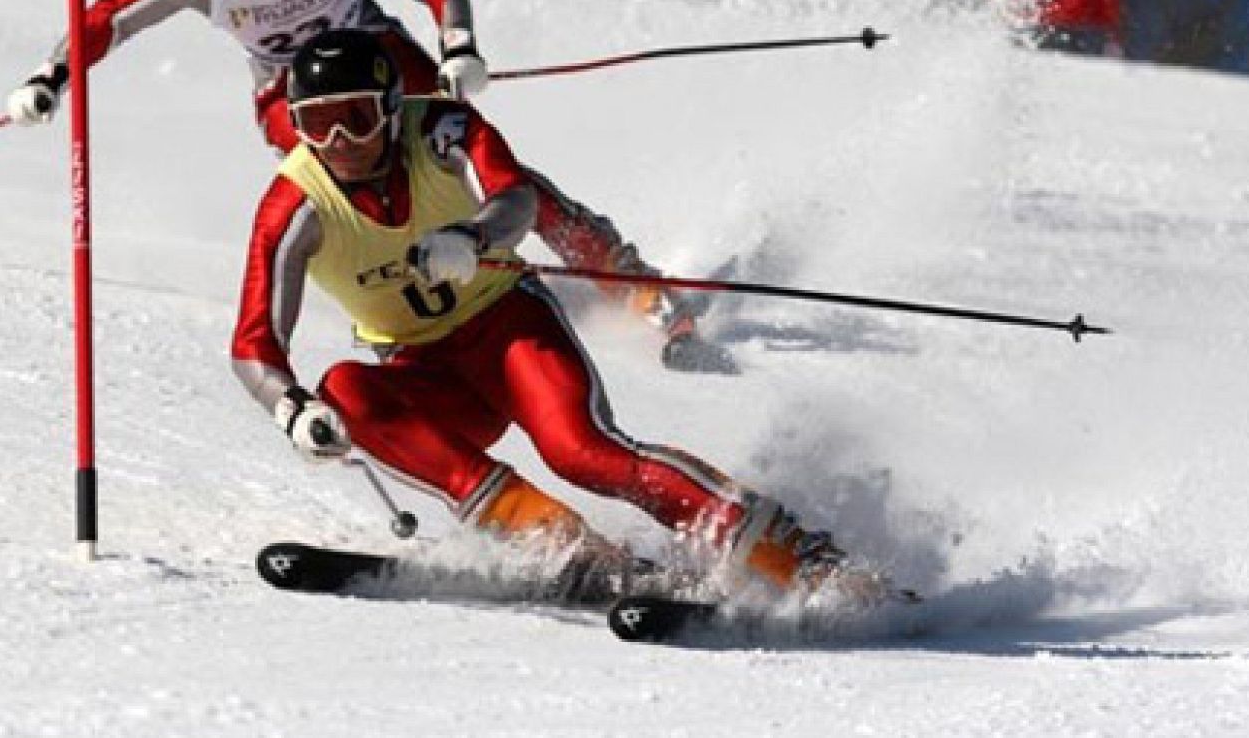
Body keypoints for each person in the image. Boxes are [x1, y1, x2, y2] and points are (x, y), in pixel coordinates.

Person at [4, 0, 732, 373]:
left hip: (386, 64)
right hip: (293, 97)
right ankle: (419, 320)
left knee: (483, 170)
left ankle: (629, 279)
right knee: (346, 192)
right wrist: (53, 74)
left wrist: (459, 46)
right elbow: (111, 15)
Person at [229, 29, 863, 600]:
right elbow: (254, 344)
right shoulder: (295, 207)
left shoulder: (441, 130)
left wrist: (475, 239)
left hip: (509, 333)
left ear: (392, 108)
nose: (340, 144)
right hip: (427, 374)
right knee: (343, 390)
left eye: (357, 119)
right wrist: (292, 409)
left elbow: (518, 199)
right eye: (318, 124)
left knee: (583, 452)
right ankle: (561, 543)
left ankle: (795, 555)